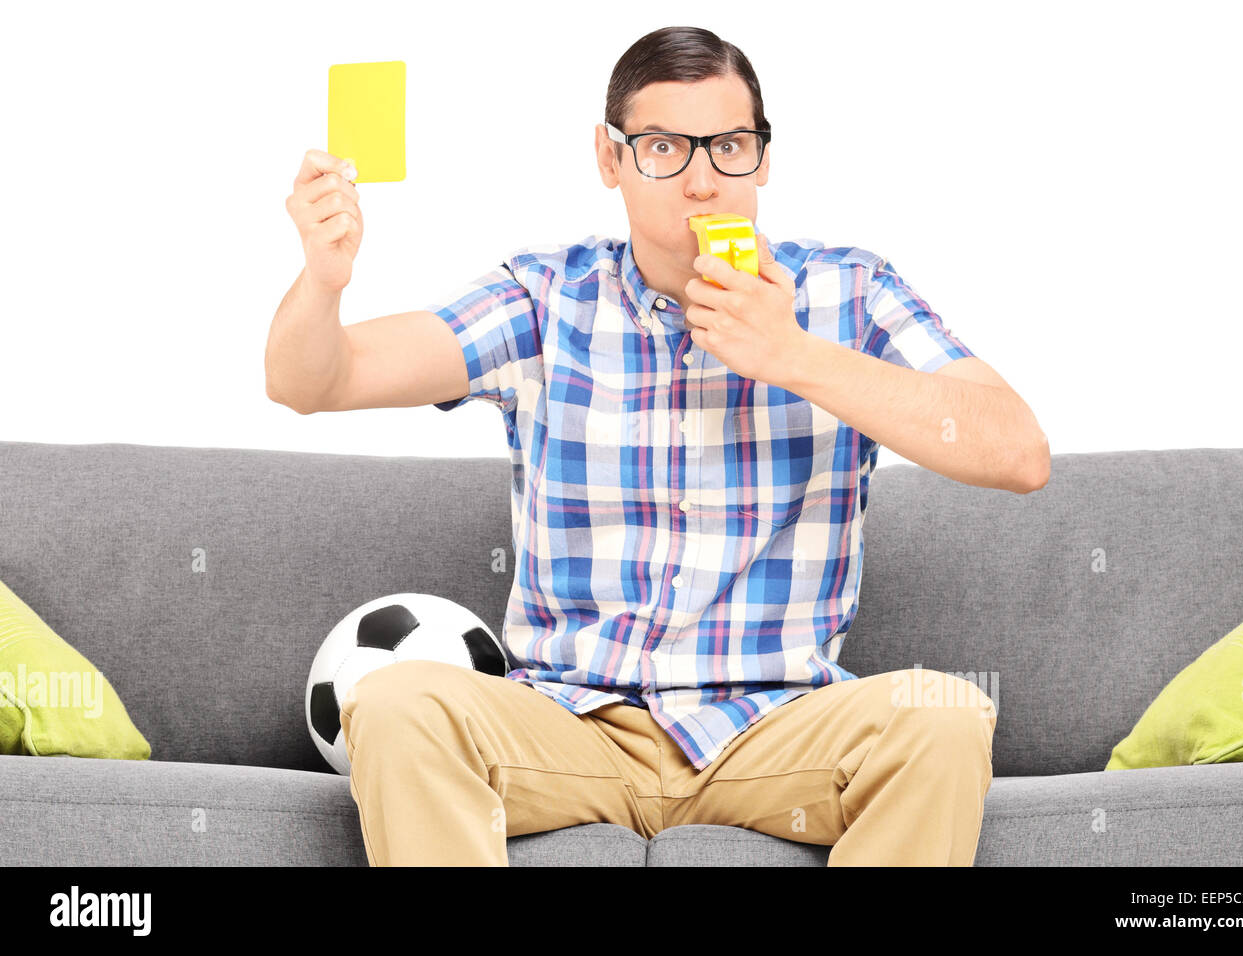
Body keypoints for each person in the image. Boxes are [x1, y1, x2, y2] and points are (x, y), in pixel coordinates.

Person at [267, 25, 1050, 866]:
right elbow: (314, 382)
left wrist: (797, 358)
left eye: (730, 147)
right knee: (397, 701)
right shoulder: (545, 297)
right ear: (610, 160)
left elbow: (1017, 452)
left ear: (764, 157)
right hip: (568, 729)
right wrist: (324, 279)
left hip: (775, 731)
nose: (703, 182)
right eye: (664, 148)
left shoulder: (846, 291)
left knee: (943, 717)